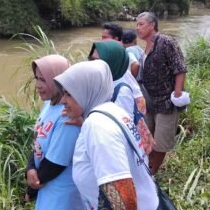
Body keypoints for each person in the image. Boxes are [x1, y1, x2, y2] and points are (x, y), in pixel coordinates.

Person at [54, 60, 159, 210]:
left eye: (69, 94)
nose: (63, 100)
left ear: (87, 91)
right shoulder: (112, 110)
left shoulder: (98, 126)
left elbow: (123, 198)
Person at [25, 55, 82, 210]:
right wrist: (30, 167)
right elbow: (38, 139)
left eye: (43, 80)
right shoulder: (48, 104)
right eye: (36, 78)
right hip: (47, 189)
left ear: (60, 80)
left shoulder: (67, 114)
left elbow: (56, 163)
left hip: (62, 195)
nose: (37, 85)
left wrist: (32, 187)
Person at [136, 12, 188, 175]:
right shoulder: (146, 46)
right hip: (149, 103)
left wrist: (178, 92)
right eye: (137, 25)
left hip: (165, 102)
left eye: (141, 24)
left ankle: (152, 173)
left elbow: (179, 68)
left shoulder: (166, 41)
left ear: (152, 25)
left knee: (161, 142)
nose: (138, 28)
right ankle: (146, 167)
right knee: (147, 137)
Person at [88, 40, 154, 154]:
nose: (93, 64)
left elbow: (122, 129)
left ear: (112, 62)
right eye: (91, 59)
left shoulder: (120, 92)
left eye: (98, 61)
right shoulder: (105, 80)